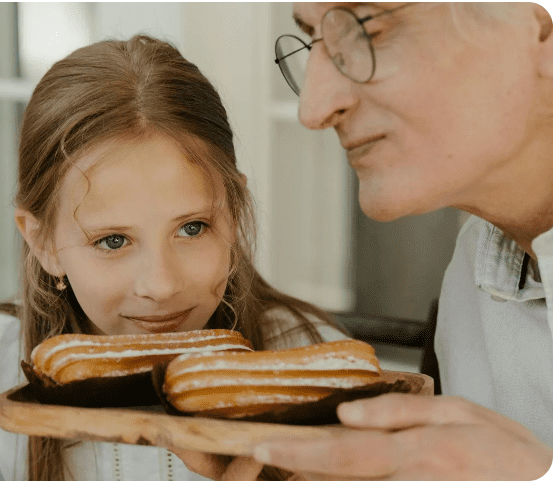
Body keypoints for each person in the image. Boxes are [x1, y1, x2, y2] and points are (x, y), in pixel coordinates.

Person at [0, 34, 350, 480]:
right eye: (113, 241)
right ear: (43, 242)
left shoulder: (314, 361)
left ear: (233, 216)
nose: (160, 286)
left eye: (192, 228)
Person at [171, 2, 553, 480]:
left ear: (540, 29)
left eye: (365, 29)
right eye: (313, 42)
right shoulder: (474, 276)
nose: (313, 108)